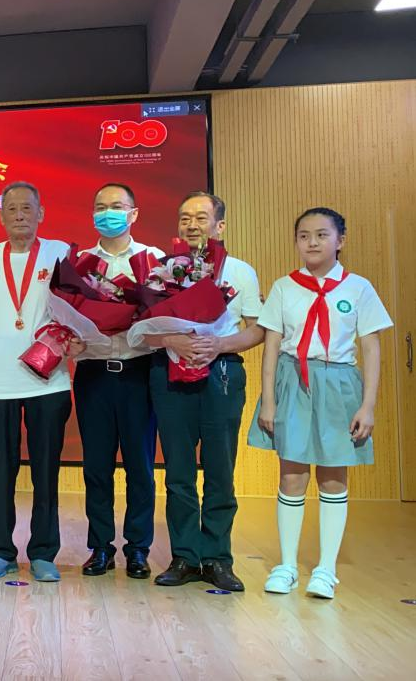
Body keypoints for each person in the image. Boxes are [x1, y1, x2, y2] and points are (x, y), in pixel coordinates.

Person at [250, 208, 390, 600]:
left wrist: (368, 406)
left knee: (333, 477)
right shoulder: (284, 287)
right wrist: (268, 401)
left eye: (322, 235)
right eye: (304, 235)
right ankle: (287, 565)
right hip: (294, 381)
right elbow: (271, 347)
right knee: (292, 475)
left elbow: (371, 347)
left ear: (340, 240)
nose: (312, 242)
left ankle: (326, 569)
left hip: (339, 383)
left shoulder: (359, 288)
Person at [0, 182, 76, 582]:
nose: (20, 215)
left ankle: (43, 553)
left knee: (46, 470)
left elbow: (75, 312)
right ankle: (1, 551)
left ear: (41, 213)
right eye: (11, 209)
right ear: (1, 216)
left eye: (27, 208)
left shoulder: (60, 253)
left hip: (48, 380)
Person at [145, 193, 263, 591]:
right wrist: (170, 340)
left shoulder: (240, 271)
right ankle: (183, 556)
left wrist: (220, 345)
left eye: (200, 217)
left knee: (220, 469)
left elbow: (258, 329)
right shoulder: (162, 271)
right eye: (184, 218)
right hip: (169, 373)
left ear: (220, 226)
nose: (191, 225)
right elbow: (142, 332)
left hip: (221, 373)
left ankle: (216, 558)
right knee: (178, 471)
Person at [74, 183, 164, 580]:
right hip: (93, 374)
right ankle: (100, 547)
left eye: (116, 206)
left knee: (140, 466)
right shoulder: (79, 263)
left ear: (133, 213)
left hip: (138, 372)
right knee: (96, 466)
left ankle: (138, 548)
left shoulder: (154, 261)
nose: (107, 213)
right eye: (100, 206)